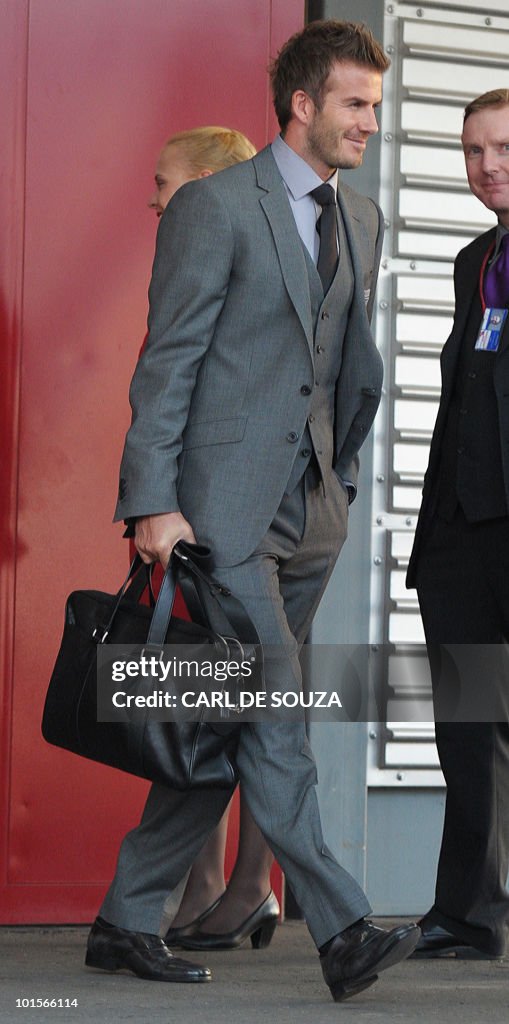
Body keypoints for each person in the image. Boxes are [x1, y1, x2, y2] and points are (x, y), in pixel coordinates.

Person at [86, 20, 420, 1001]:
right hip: (219, 516)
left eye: (374, 101)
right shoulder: (215, 207)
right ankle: (344, 923)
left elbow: (348, 362)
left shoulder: (360, 219)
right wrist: (152, 502)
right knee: (273, 709)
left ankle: (121, 917)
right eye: (355, 102)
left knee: (224, 714)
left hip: (310, 513)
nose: (370, 119)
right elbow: (168, 361)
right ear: (302, 104)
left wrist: (345, 483)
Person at [142, 125, 279, 950]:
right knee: (248, 703)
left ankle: (217, 889)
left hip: (212, 523)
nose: (152, 197)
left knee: (207, 702)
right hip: (257, 520)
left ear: (201, 186)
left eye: (162, 182)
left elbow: (174, 378)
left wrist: (157, 501)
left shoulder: (206, 244)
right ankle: (236, 888)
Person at [407, 89, 509, 960]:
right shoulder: (473, 257)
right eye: (472, 151)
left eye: (503, 147)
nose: (487, 166)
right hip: (461, 539)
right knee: (470, 728)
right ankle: (468, 914)